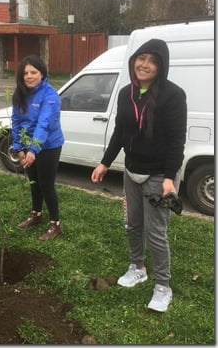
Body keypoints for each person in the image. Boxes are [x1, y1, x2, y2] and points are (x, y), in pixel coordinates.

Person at [91, 39, 187, 312]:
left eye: (152, 61)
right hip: (131, 170)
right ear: (134, 60)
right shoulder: (126, 93)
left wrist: (170, 177)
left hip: (159, 175)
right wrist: (105, 163)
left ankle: (163, 286)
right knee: (132, 224)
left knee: (156, 232)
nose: (145, 64)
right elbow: (120, 132)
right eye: (141, 58)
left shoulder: (173, 95)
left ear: (161, 66)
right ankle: (137, 267)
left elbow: (176, 140)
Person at [11, 55, 64, 241]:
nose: (29, 76)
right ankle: (36, 214)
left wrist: (33, 150)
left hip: (48, 145)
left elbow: (44, 124)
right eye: (25, 73)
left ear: (42, 73)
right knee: (33, 181)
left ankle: (55, 224)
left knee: (46, 184)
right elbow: (16, 121)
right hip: (28, 146)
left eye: (33, 72)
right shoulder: (20, 93)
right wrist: (19, 148)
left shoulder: (50, 96)